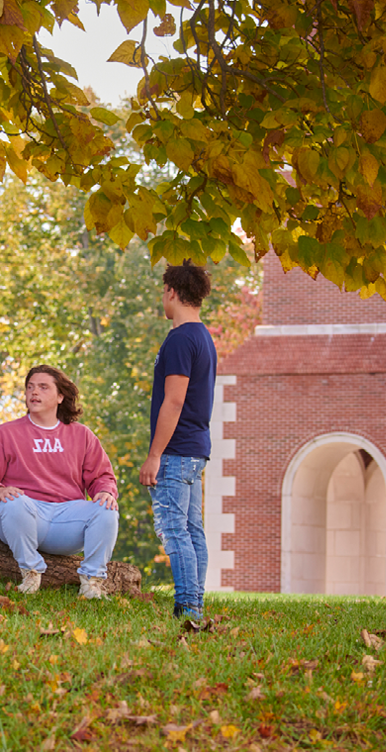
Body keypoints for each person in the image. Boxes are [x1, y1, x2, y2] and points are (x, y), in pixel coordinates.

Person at [0, 365, 120, 599]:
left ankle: (92, 582)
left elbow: (102, 476)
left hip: (68, 518)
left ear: (60, 396)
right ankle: (30, 573)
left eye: (42, 387)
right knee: (13, 502)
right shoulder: (6, 433)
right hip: (23, 514)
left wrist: (106, 491)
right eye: (30, 387)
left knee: (107, 510)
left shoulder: (81, 435)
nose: (34, 393)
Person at [139, 261, 217, 620]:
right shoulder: (203, 337)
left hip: (176, 450)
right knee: (192, 529)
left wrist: (155, 454)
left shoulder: (180, 339)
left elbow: (174, 400)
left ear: (172, 291)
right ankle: (195, 602)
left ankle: (188, 606)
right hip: (197, 449)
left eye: (163, 291)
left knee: (174, 531)